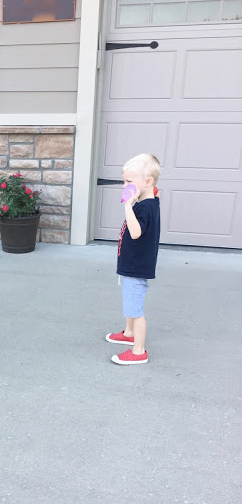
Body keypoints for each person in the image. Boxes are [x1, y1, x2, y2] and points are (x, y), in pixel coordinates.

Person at [106, 153, 161, 365]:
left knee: (135, 309)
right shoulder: (147, 200)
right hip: (131, 264)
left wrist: (127, 205)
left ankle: (138, 352)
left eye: (129, 181)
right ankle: (129, 333)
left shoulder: (144, 207)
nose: (124, 185)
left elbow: (136, 232)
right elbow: (152, 192)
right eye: (124, 181)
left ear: (147, 182)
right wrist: (136, 197)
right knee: (130, 304)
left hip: (136, 267)